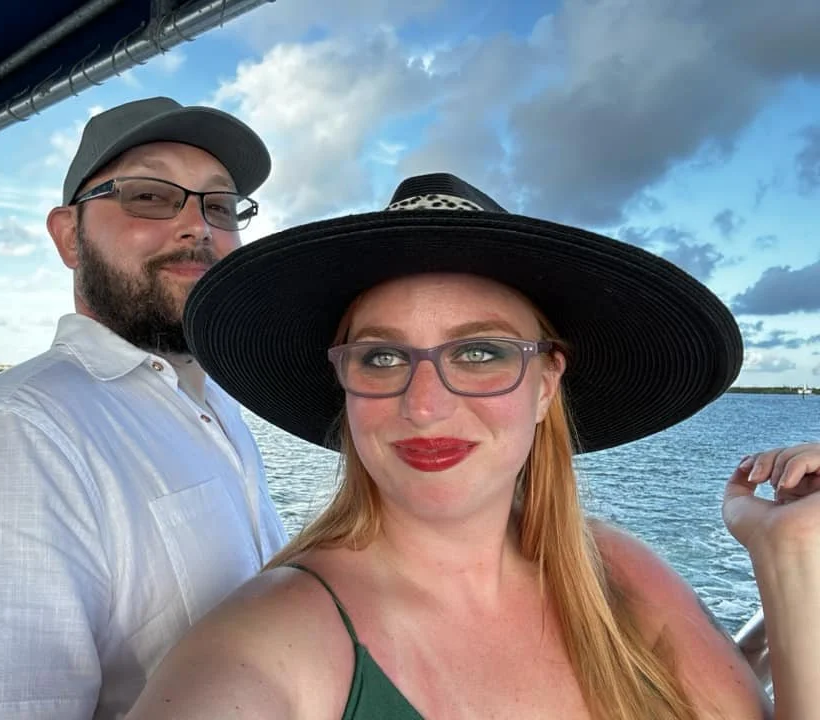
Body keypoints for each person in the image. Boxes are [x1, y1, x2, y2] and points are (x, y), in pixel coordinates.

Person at [127, 173, 819, 719]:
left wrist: (794, 562)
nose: (424, 405)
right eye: (382, 358)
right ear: (344, 382)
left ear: (547, 383)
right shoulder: (264, 649)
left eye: (481, 351)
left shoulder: (621, 576)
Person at [0, 97, 287, 719]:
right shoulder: (11, 442)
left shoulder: (217, 407)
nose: (198, 226)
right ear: (70, 236)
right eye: (150, 196)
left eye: (221, 206)